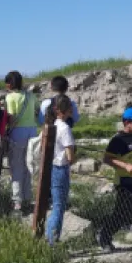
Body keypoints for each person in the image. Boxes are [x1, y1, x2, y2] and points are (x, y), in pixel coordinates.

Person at [100, 106, 132, 252]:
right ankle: (105, 237)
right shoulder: (118, 140)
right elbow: (107, 159)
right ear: (127, 122)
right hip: (125, 182)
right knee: (122, 214)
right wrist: (125, 165)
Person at [3, 71, 39, 214]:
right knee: (28, 166)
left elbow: (11, 118)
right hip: (32, 132)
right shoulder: (31, 96)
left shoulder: (10, 97)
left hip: (18, 133)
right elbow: (37, 111)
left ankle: (17, 201)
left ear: (10, 84)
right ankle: (28, 198)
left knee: (16, 167)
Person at [45, 96, 77, 245]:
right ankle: (52, 239)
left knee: (54, 204)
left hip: (50, 167)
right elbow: (70, 156)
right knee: (59, 205)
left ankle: (48, 235)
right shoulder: (65, 128)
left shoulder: (51, 125)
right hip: (60, 168)